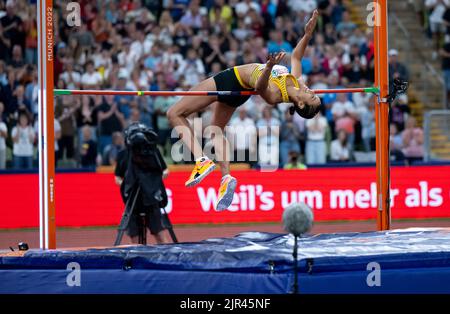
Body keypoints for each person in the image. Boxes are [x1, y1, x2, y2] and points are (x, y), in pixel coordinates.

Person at [167, 10, 321, 211]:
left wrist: (268, 67)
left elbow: (260, 88)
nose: (311, 90)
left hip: (232, 80)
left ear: (301, 104)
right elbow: (297, 58)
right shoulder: (298, 81)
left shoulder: (276, 96)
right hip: (240, 92)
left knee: (174, 113)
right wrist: (307, 34)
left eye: (311, 96)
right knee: (216, 130)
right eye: (314, 93)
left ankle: (201, 160)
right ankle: (226, 177)